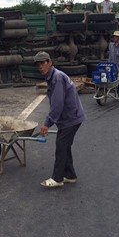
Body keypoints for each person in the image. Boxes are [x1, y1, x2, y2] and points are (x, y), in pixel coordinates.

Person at [34, 51, 86, 188]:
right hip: (69, 117)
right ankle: (70, 175)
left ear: (49, 62)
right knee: (65, 145)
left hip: (71, 117)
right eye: (38, 64)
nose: (40, 66)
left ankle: (57, 178)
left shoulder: (56, 78)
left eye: (43, 63)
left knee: (61, 146)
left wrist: (47, 124)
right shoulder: (53, 76)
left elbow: (57, 104)